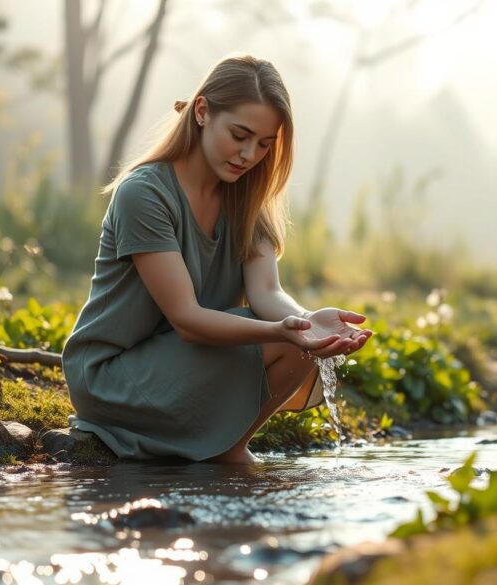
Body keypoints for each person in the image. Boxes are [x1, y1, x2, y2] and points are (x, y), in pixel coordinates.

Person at [61, 55, 373, 464]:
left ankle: (229, 449)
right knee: (273, 334)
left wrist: (308, 322)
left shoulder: (246, 198)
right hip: (111, 374)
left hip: (183, 362)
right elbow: (188, 320)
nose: (249, 155)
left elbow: (267, 292)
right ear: (203, 112)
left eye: (264, 144)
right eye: (240, 135)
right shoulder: (144, 193)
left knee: (300, 345)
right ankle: (222, 454)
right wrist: (281, 330)